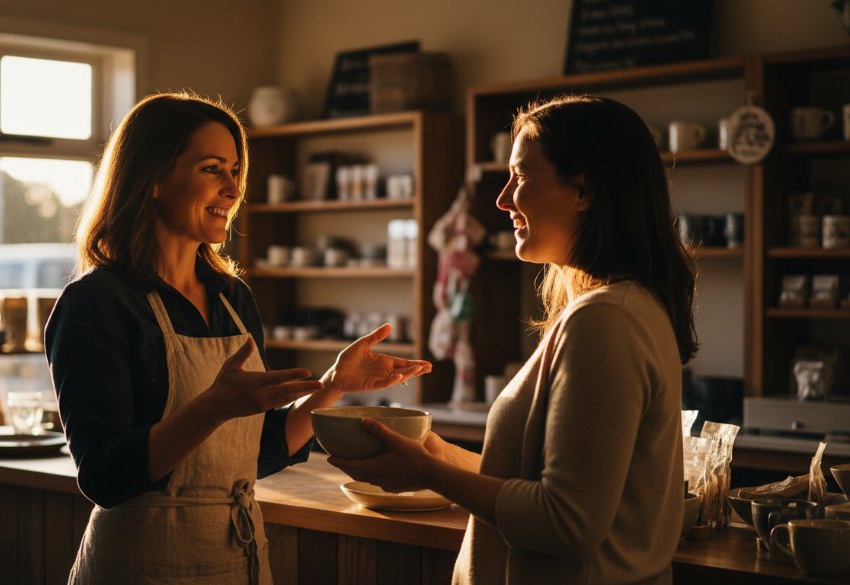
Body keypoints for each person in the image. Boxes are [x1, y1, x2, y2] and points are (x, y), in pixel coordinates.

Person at [45, 91, 432, 585]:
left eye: (234, 171)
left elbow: (256, 452)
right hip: (140, 563)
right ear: (153, 179)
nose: (232, 189)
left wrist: (333, 385)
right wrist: (211, 407)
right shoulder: (98, 302)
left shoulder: (232, 298)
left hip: (238, 559)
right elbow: (103, 476)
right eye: (211, 168)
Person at [329, 95, 697, 585]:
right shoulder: (624, 308)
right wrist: (440, 456)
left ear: (584, 189)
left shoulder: (605, 320)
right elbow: (548, 483)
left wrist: (428, 475)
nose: (502, 199)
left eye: (520, 177)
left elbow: (565, 524)